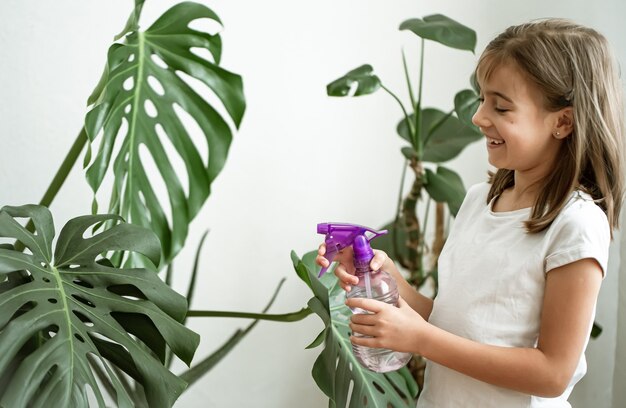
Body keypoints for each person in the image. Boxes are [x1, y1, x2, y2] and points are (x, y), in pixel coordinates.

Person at [316, 18, 624, 407]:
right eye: (481, 100)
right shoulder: (479, 201)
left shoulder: (575, 224)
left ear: (562, 122)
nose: (478, 117)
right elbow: (452, 325)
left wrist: (420, 339)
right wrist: (387, 278)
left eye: (501, 106)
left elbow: (552, 373)